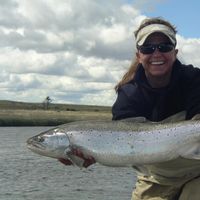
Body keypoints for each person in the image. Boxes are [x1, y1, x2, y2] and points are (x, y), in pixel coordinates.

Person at [112, 17, 200, 200]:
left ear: (175, 53)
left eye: (164, 47)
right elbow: (122, 145)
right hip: (156, 177)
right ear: (139, 55)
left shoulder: (195, 79)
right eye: (148, 48)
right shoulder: (128, 94)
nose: (157, 53)